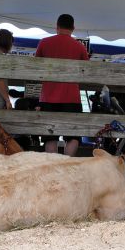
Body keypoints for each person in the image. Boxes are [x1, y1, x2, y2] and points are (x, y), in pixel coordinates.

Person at [36, 14, 89, 156]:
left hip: (48, 96)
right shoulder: (80, 46)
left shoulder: (44, 43)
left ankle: (53, 167)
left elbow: (35, 67)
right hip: (71, 97)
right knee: (73, 136)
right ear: (73, 28)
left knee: (50, 136)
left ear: (57, 27)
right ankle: (66, 164)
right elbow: (87, 71)